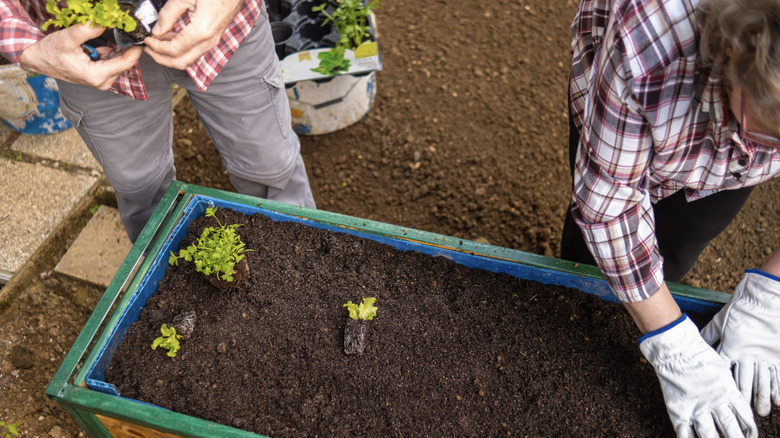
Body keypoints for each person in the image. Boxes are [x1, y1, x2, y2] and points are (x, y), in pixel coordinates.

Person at [561, 0, 780, 435]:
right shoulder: (648, 43)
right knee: (588, 271)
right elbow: (609, 209)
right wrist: (675, 347)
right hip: (635, 95)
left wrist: (770, 296)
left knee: (679, 244)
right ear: (736, 61)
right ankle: (589, 307)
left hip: (719, 140)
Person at [0, 0, 316, 242]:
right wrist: (24, 46)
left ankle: (301, 257)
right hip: (86, 50)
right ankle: (168, 275)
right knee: (140, 189)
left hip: (219, 20)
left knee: (271, 166)